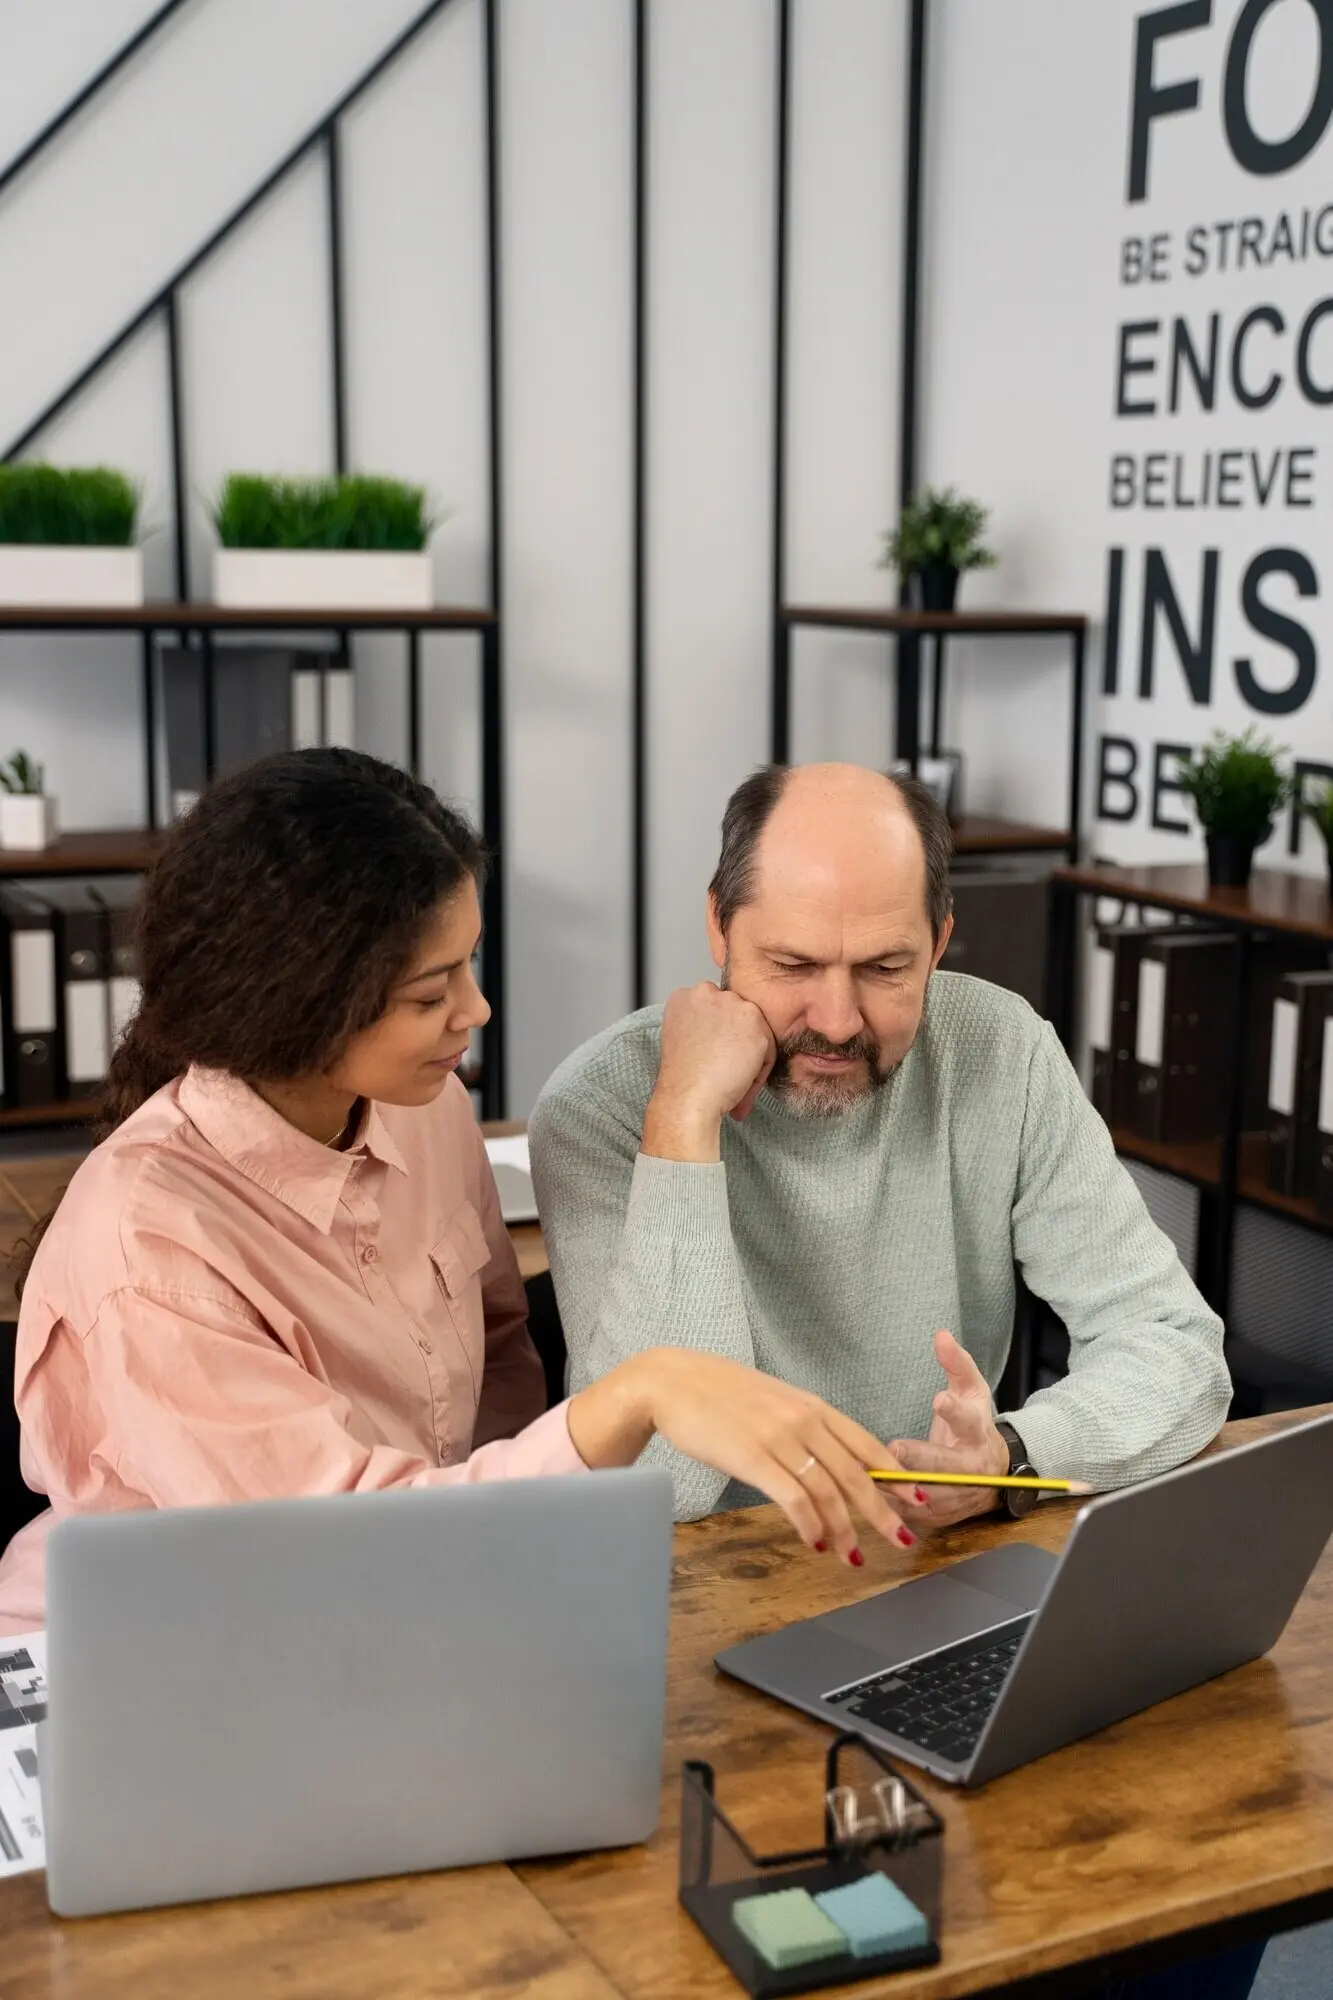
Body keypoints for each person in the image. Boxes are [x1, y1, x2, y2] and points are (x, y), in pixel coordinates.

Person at [0, 750, 914, 1637]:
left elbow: (498, 1354)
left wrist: (522, 1565)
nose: (475, 1012)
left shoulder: (423, 1111)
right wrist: (633, 1397)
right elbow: (333, 1555)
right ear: (297, 1005)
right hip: (169, 1658)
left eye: (469, 966)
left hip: (413, 1609)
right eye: (432, 992)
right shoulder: (149, 1258)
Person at [529, 761, 1233, 1530]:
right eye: (793, 965)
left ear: (938, 943)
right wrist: (681, 1125)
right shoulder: (599, 1106)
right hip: (698, 1576)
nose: (835, 1020)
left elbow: (1176, 1350)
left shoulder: (1001, 1052)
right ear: (717, 926)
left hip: (937, 1554)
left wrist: (1009, 1457)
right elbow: (665, 1485)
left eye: (884, 968)